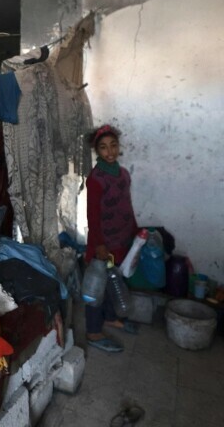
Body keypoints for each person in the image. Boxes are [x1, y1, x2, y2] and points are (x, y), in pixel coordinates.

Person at [84, 125, 139, 353]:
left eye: (113, 145)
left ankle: (110, 318)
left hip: (121, 238)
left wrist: (135, 232)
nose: (110, 152)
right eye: (104, 148)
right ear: (97, 151)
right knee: (96, 287)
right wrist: (99, 245)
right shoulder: (96, 179)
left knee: (113, 280)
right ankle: (93, 333)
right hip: (102, 242)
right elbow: (92, 215)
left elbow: (127, 204)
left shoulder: (124, 174)